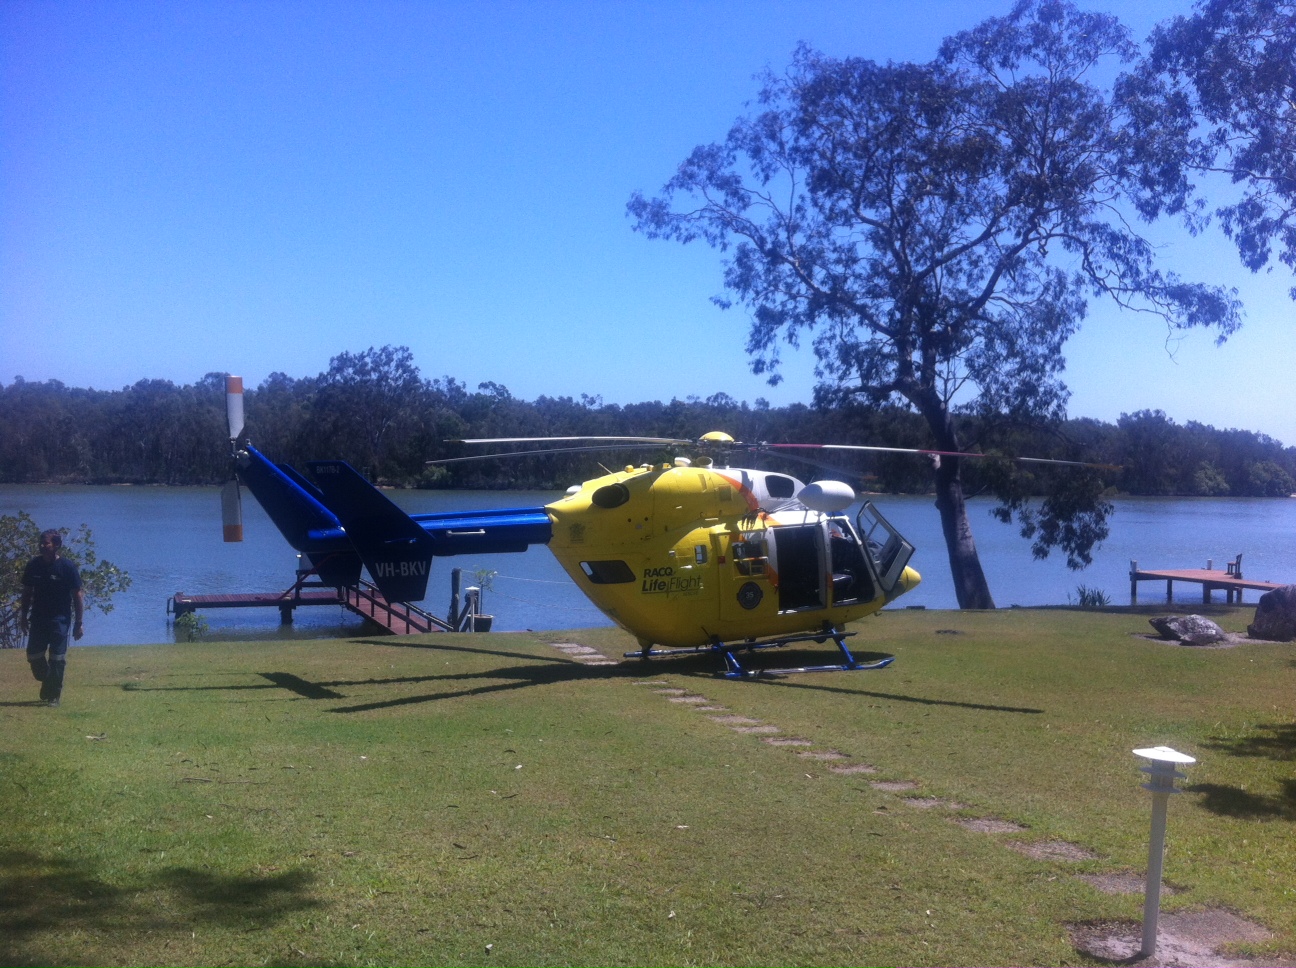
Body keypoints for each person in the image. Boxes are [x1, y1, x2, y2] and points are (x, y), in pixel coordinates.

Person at [18, 529, 84, 707]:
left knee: (57, 657)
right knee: (34, 656)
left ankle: (54, 696)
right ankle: (48, 679)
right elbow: (27, 592)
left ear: (56, 545)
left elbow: (77, 595)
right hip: (38, 618)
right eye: (40, 542)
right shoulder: (33, 565)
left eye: (45, 543)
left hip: (59, 619)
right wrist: (23, 617)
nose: (41, 546)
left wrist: (79, 623)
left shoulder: (67, 567)